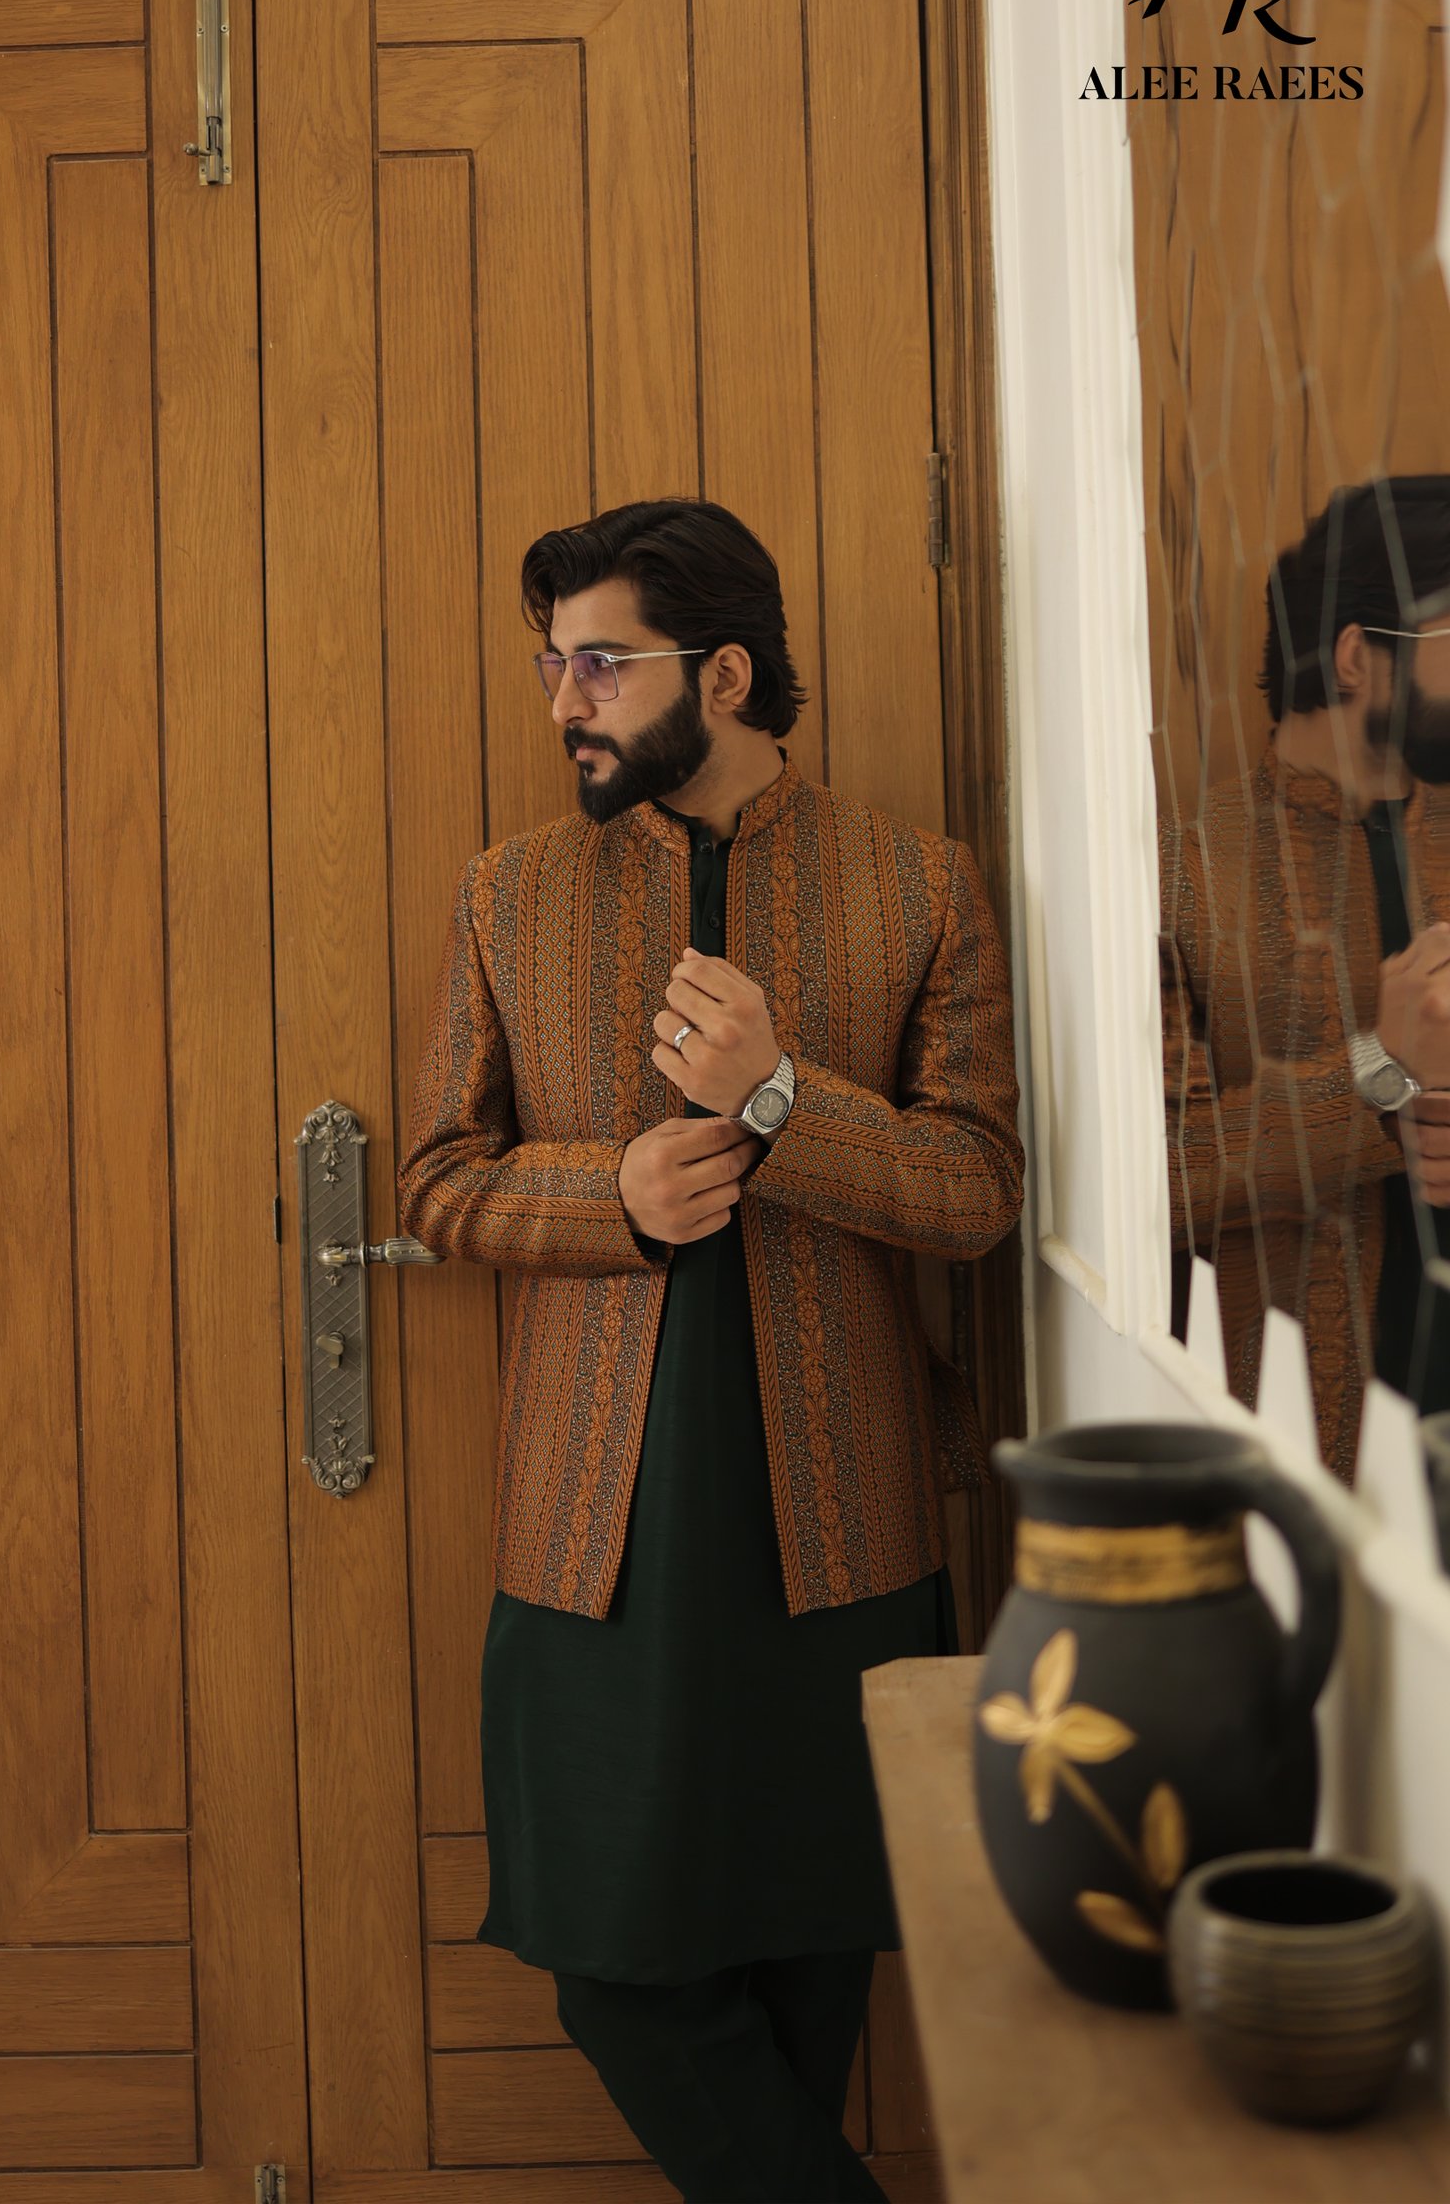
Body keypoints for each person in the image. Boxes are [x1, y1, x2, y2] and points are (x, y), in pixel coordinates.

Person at [398, 498, 1023, 2202]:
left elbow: (976, 1191)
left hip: (840, 1529)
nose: (564, 702)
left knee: (813, 1960)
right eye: (552, 664)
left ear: (725, 675)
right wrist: (610, 1193)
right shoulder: (510, 894)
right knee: (615, 1968)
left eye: (601, 663)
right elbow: (438, 1182)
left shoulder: (918, 885)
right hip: (593, 1536)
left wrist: (781, 1102)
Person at [1160, 475, 1450, 1471]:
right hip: (1300, 1448)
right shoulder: (1183, 872)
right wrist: (1379, 1076)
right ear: (1358, 656)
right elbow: (1160, 1177)